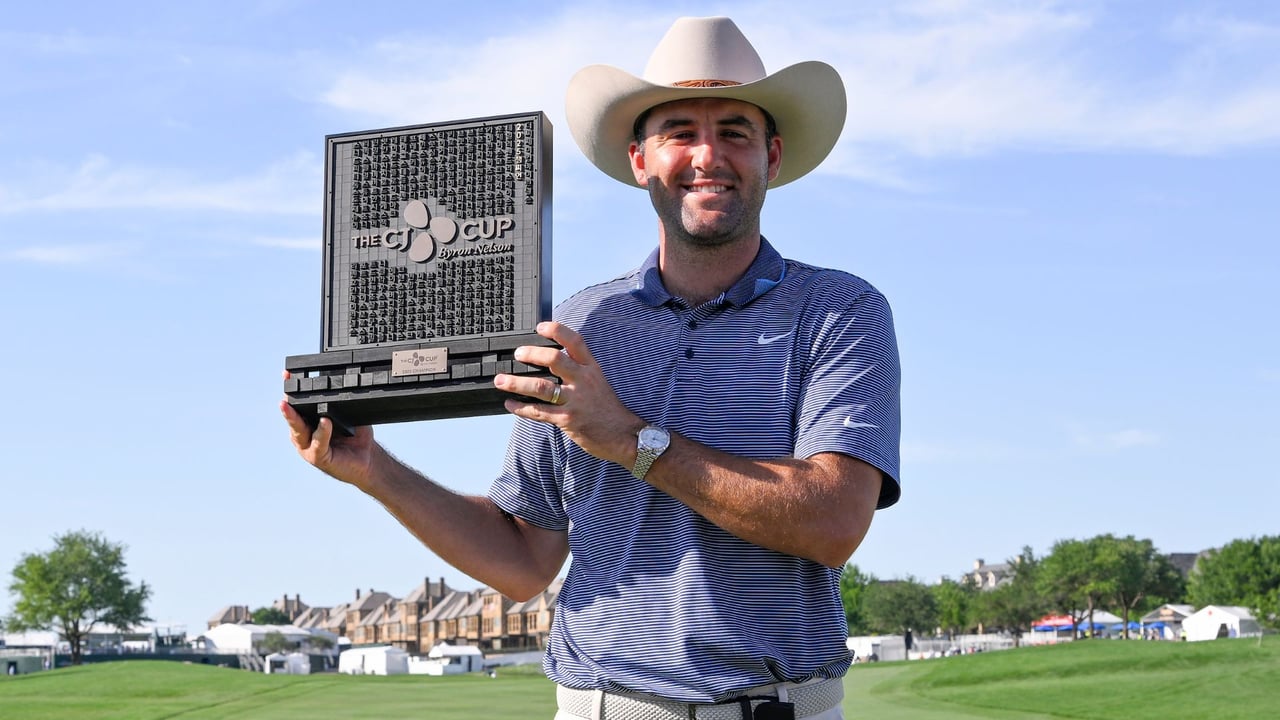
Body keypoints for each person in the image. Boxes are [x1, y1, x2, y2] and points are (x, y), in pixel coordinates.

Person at [282, 16, 900, 720]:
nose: (708, 155)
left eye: (734, 131)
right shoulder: (579, 326)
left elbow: (833, 519)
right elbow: (524, 559)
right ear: (641, 160)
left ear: (772, 157)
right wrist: (375, 471)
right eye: (679, 133)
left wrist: (632, 440)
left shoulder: (839, 310)